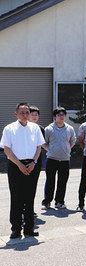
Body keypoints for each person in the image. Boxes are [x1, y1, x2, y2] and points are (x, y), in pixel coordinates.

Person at [0, 102, 45, 238]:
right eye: (22, 112)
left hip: (32, 165)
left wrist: (34, 162)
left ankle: (29, 228)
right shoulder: (9, 128)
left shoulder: (35, 128)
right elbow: (6, 149)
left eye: (27, 112)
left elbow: (39, 147)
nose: (25, 115)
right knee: (16, 197)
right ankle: (16, 228)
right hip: (15, 165)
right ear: (16, 114)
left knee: (29, 196)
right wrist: (19, 164)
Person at [42, 107, 76, 210]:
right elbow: (44, 142)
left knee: (62, 182)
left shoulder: (70, 129)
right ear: (55, 117)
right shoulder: (49, 129)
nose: (61, 117)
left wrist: (66, 149)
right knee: (50, 181)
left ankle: (59, 202)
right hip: (51, 159)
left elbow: (73, 141)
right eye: (58, 115)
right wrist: (51, 150)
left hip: (65, 159)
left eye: (62, 115)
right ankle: (47, 202)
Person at [29, 106, 46, 190]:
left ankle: (30, 202)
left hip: (37, 159)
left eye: (36, 115)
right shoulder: (23, 127)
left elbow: (43, 145)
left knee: (33, 182)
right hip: (24, 158)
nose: (34, 117)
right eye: (32, 114)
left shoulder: (41, 129)